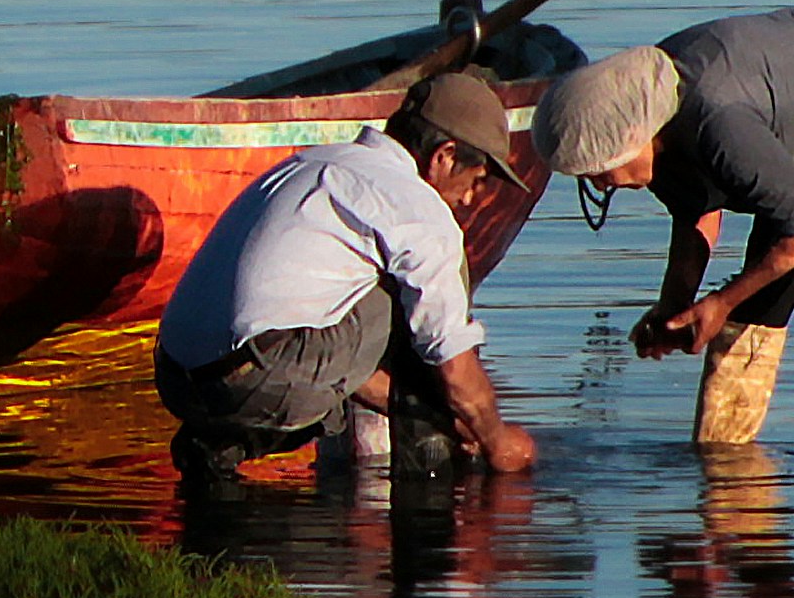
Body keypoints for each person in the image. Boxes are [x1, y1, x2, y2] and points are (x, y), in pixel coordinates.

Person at [535, 7, 794, 456]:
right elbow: (694, 210)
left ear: (634, 134)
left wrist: (720, 303)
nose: (598, 184)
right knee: (762, 296)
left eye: (600, 171)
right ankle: (725, 468)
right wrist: (675, 307)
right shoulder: (656, 107)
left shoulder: (717, 124)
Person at [152, 68, 540, 481]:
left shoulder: (309, 163)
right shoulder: (418, 206)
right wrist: (497, 438)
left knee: (346, 309)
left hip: (177, 378)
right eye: (476, 181)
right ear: (444, 156)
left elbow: (341, 368)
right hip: (258, 377)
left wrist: (450, 413)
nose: (469, 198)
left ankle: (217, 446)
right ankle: (430, 492)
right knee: (407, 306)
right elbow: (449, 355)